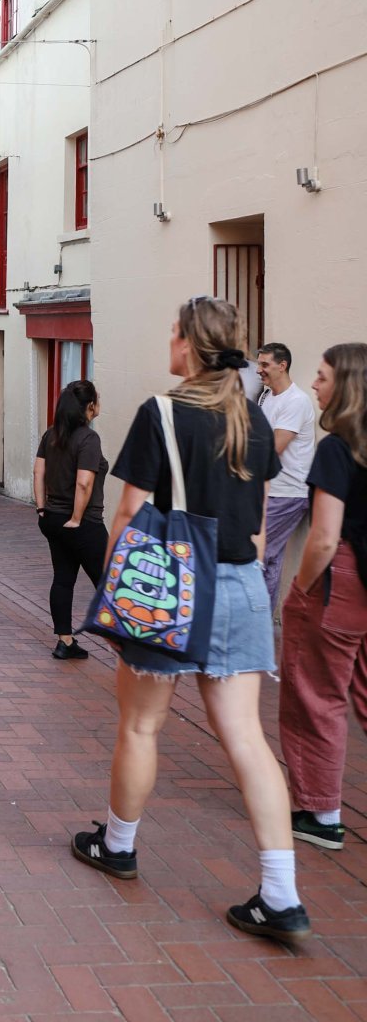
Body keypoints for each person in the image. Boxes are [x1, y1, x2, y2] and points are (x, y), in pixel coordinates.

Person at [71, 297, 311, 945]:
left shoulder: (162, 412)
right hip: (240, 585)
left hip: (172, 583)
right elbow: (258, 525)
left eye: (174, 333)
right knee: (247, 739)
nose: (169, 341)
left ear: (189, 346)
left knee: (141, 725)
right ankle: (281, 895)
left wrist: (117, 588)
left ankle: (118, 845)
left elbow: (128, 514)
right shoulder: (254, 420)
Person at [279, 343, 367, 853]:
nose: (314, 384)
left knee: (316, 696)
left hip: (339, 584)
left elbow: (325, 536)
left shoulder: (337, 449)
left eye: (322, 376)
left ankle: (321, 814)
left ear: (347, 387)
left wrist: (302, 589)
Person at [33, 380, 108, 661]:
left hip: (53, 519)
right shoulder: (89, 439)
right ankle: (129, 646)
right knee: (109, 583)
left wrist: (42, 509)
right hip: (84, 523)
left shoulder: (50, 435)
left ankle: (65, 641)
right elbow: (84, 483)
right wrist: (77, 518)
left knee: (63, 579)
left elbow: (38, 473)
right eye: (97, 399)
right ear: (89, 407)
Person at [256, 342, 317, 612]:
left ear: (282, 365)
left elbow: (273, 449)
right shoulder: (267, 397)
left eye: (265, 364)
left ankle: (256, 622)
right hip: (272, 490)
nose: (259, 370)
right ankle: (264, 624)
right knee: (270, 559)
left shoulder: (296, 401)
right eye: (258, 364)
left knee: (257, 556)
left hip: (288, 493)